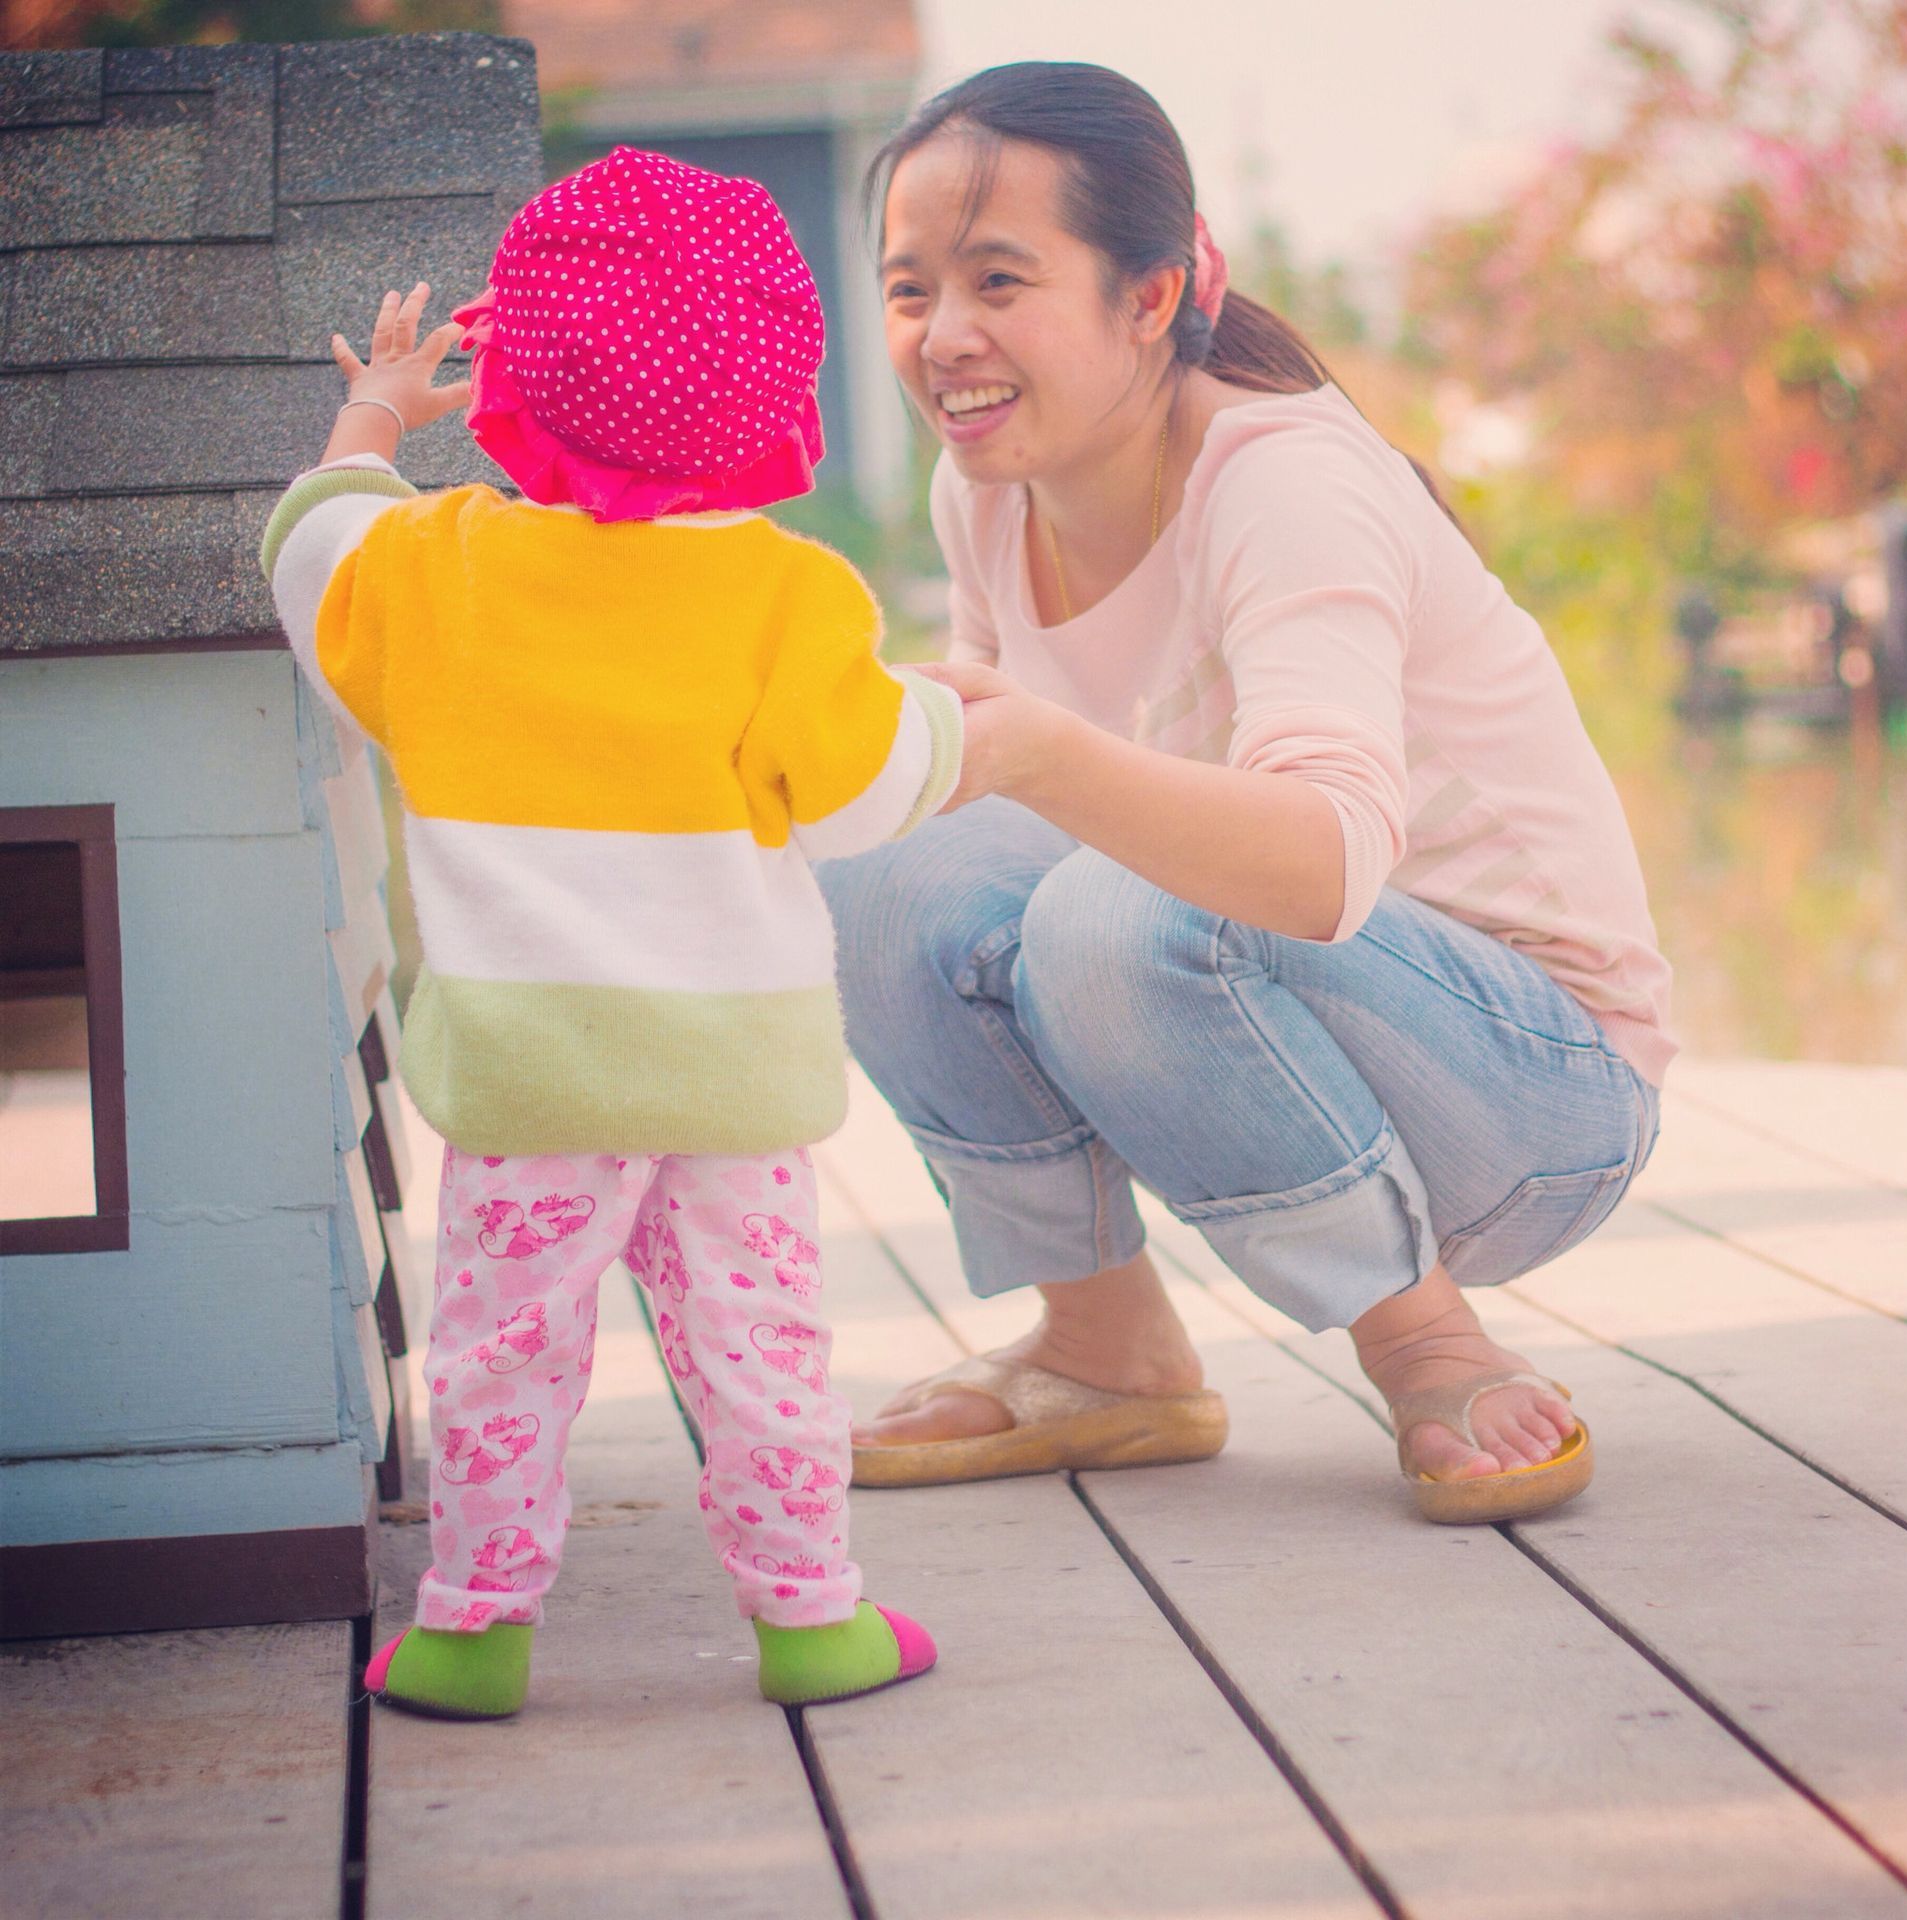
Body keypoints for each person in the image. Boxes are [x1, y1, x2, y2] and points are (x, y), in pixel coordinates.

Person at [822, 63, 1672, 1525]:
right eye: (910, 290)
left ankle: (1425, 1342)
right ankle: (1104, 1349)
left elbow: (1331, 862)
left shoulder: (1284, 482)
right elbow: (978, 820)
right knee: (880, 866)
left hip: (1533, 1101)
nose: (945, 336)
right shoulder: (988, 491)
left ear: (1150, 298)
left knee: (1108, 901)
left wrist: (1036, 752)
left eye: (1000, 279)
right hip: (1272, 1049)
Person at [260, 150, 957, 1720]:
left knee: (503, 1357)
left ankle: (471, 1630)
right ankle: (808, 1620)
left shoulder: (439, 577)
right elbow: (863, 796)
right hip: (729, 1083)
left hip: (530, 1072)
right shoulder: (791, 600)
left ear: (517, 380)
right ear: (776, 396)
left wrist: (379, 406)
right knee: (763, 1356)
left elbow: (309, 545)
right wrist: (956, 731)